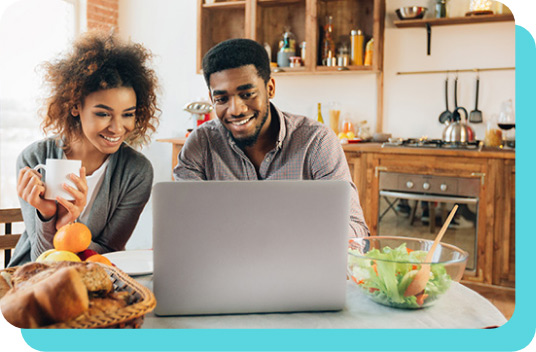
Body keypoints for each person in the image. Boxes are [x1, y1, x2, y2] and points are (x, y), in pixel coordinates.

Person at [173, 38, 369, 237]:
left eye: (247, 94)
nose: (236, 110)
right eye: (222, 99)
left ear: (270, 88)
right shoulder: (201, 144)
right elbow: (186, 225)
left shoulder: (316, 142)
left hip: (299, 262)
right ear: (211, 98)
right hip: (224, 264)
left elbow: (355, 229)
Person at [10, 31, 160, 266]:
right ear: (75, 106)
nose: (117, 128)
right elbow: (40, 260)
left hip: (94, 283)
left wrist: (68, 227)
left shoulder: (136, 171)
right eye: (103, 114)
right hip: (30, 281)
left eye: (128, 114)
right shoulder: (35, 158)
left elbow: (109, 253)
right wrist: (47, 215)